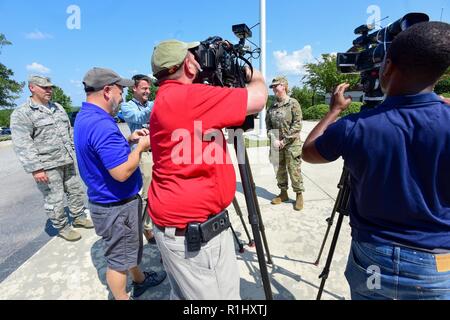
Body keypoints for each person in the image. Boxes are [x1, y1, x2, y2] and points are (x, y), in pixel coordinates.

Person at [302, 21, 450, 300]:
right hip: (437, 266)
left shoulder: (355, 126)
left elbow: (309, 151)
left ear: (388, 67)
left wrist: (334, 111)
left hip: (373, 258)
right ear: (440, 73)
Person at [149, 39, 268, 300]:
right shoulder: (188, 97)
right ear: (188, 65)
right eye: (194, 55)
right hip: (195, 237)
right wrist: (248, 72)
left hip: (182, 228)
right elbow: (258, 98)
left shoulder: (169, 97)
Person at [74, 67, 166, 300]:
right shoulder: (101, 125)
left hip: (107, 202)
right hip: (116, 206)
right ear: (107, 90)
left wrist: (128, 139)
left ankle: (140, 280)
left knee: (128, 249)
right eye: (120, 90)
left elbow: (101, 152)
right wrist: (141, 147)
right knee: (118, 262)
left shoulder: (87, 116)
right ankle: (121, 296)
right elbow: (122, 172)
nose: (122, 95)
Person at [10, 75, 93, 242]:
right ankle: (62, 226)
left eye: (50, 87)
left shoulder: (57, 108)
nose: (49, 90)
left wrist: (76, 151)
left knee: (75, 191)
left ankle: (78, 216)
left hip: (67, 160)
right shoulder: (23, 112)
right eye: (44, 87)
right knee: (54, 198)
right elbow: (22, 143)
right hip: (47, 165)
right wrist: (36, 168)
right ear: (32, 88)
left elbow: (69, 132)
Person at [121, 74, 156, 244]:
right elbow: (140, 118)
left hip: (157, 151)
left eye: (149, 88)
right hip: (142, 155)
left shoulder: (150, 104)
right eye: (144, 88)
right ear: (134, 89)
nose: (148, 91)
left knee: (158, 190)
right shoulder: (127, 106)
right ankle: (144, 229)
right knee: (146, 194)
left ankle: (150, 224)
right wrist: (161, 102)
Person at [266, 76, 305, 211]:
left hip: (291, 144)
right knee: (279, 170)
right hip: (277, 144)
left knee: (294, 170)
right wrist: (274, 139)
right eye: (273, 87)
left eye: (276, 86)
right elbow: (268, 126)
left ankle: (299, 195)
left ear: (284, 86)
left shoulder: (293, 103)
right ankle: (283, 194)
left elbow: (297, 124)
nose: (274, 89)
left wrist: (285, 140)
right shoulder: (272, 106)